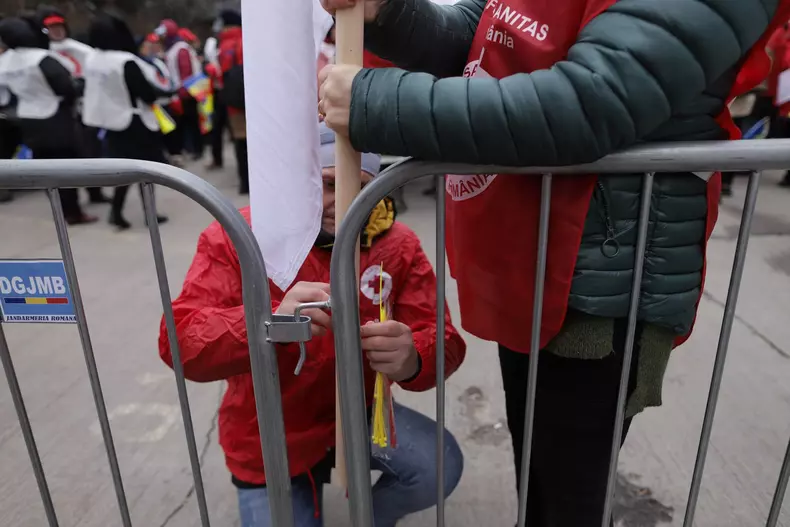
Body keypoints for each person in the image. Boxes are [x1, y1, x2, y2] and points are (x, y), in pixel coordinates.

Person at [318, 0, 790, 525]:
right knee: (541, 488)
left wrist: (374, 101)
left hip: (598, 284)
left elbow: (594, 101)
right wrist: (391, 10)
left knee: (567, 501)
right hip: (532, 257)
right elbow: (482, 36)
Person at [159, 122, 465, 527]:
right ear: (295, 181)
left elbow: (443, 338)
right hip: (269, 433)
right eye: (328, 183)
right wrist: (268, 323)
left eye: (363, 187)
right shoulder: (238, 237)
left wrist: (414, 357)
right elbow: (179, 341)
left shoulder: (397, 243)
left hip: (360, 416)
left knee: (438, 464)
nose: (346, 203)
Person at [0, 16, 96, 225]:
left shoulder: (6, 60)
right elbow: (66, 88)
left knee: (45, 168)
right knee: (66, 167)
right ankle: (74, 212)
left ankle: (59, 209)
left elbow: (4, 95)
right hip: (54, 116)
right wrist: (78, 88)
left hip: (27, 117)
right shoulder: (42, 58)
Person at [83, 13, 172, 230]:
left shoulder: (92, 58)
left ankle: (117, 211)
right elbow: (147, 95)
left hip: (112, 122)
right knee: (145, 171)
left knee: (124, 171)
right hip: (135, 122)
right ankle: (149, 214)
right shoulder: (125, 62)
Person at [37, 5, 110, 204]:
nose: (56, 31)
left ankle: (95, 192)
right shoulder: (43, 54)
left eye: (59, 26)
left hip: (86, 108)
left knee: (91, 153)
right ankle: (69, 201)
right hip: (60, 112)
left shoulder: (82, 50)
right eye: (51, 28)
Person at [157, 19, 203, 161]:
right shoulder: (172, 47)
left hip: (186, 94)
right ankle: (187, 149)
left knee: (191, 122)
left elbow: (186, 72)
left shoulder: (180, 48)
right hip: (179, 92)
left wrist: (181, 94)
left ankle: (196, 150)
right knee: (182, 124)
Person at [215, 9, 248, 194]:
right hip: (249, 98)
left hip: (232, 100)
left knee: (240, 139)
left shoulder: (223, 45)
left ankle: (244, 182)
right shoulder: (245, 40)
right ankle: (253, 180)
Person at [204, 15, 227, 171]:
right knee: (216, 127)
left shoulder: (232, 43)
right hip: (217, 91)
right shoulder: (212, 45)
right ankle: (217, 158)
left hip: (230, 90)